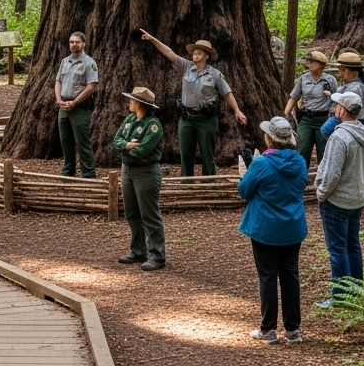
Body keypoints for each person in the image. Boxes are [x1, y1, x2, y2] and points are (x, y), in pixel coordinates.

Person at [237, 116, 309, 345]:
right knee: (290, 276)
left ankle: (268, 330)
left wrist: (246, 175)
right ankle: (293, 330)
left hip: (265, 228)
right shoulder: (299, 161)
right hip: (292, 226)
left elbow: (244, 191)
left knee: (267, 277)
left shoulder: (261, 164)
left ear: (270, 138)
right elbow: (299, 185)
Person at [140, 31, 247, 176]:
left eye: (199, 53)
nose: (195, 56)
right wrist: (152, 39)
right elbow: (169, 52)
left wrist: (237, 110)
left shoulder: (215, 74)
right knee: (186, 154)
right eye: (194, 53)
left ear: (206, 56)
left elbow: (227, 93)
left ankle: (208, 184)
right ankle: (186, 183)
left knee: (207, 156)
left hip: (206, 120)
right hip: (186, 119)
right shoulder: (186, 67)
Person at [314, 90, 364, 309]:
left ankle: (340, 296)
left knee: (338, 248)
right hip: (356, 199)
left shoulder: (339, 137)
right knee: (352, 245)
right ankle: (356, 292)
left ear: (342, 110)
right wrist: (363, 195)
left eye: (337, 105)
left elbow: (332, 173)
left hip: (337, 201)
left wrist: (321, 193)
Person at [112, 86, 165, 271]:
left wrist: (127, 149)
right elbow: (116, 140)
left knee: (149, 214)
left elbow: (144, 150)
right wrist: (127, 145)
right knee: (132, 213)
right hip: (127, 170)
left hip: (146, 172)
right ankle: (138, 250)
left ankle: (157, 255)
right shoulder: (130, 119)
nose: (129, 102)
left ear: (140, 104)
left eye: (132, 100)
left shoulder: (153, 125)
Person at [54, 32, 99, 179]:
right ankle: (68, 172)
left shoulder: (89, 63)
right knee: (65, 141)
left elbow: (92, 86)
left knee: (82, 142)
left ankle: (89, 175)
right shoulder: (65, 61)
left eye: (77, 42)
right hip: (63, 107)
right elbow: (58, 81)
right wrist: (59, 99)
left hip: (80, 107)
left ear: (84, 44)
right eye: (71, 42)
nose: (74, 44)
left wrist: (75, 102)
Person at [283, 51, 337, 166]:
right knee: (302, 149)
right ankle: (301, 177)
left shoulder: (330, 79)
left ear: (321, 64)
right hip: (306, 119)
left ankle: (322, 179)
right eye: (308, 61)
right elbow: (293, 97)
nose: (309, 63)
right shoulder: (303, 79)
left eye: (312, 61)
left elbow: (336, 99)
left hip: (324, 119)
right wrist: (286, 115)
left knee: (324, 151)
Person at [321, 51, 364, 140]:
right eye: (340, 69)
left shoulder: (355, 87)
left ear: (354, 71)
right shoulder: (348, 85)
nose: (341, 72)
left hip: (346, 123)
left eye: (343, 70)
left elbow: (346, 111)